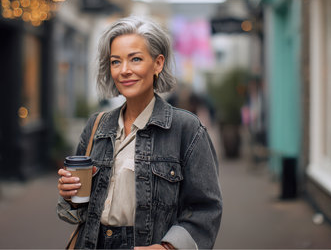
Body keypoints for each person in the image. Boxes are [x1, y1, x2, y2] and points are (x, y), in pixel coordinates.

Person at [57, 16, 222, 249]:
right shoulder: (96, 126)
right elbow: (78, 211)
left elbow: (206, 208)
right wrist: (69, 195)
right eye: (116, 62)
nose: (124, 70)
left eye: (135, 59)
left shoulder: (186, 129)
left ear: (158, 63)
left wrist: (169, 247)